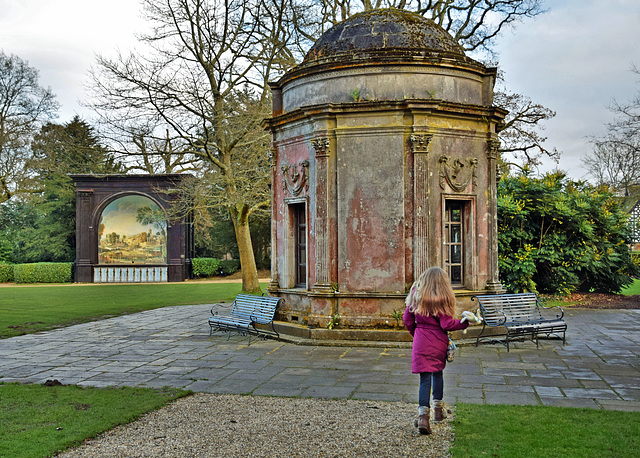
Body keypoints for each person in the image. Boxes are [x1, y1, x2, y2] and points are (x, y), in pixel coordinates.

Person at [403, 266, 480, 435]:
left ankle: (423, 418)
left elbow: (407, 319)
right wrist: (465, 322)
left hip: (420, 340)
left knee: (425, 379)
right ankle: (438, 411)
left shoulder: (417, 295)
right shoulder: (441, 298)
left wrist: (416, 333)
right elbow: (446, 324)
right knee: (437, 373)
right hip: (437, 341)